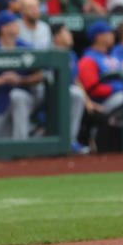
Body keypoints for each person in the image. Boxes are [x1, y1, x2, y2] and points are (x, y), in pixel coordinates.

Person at [0, 10, 43, 139]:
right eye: (13, 23)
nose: (18, 26)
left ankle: (21, 146)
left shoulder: (26, 47)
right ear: (4, 28)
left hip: (25, 100)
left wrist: (20, 80)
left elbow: (40, 75)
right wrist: (3, 79)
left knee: (17, 96)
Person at [51, 23, 93, 154]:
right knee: (75, 94)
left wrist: (88, 101)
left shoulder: (72, 54)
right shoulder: (49, 52)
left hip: (68, 96)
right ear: (56, 37)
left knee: (77, 94)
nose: (71, 35)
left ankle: (71, 141)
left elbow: (76, 79)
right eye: (66, 32)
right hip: (50, 95)